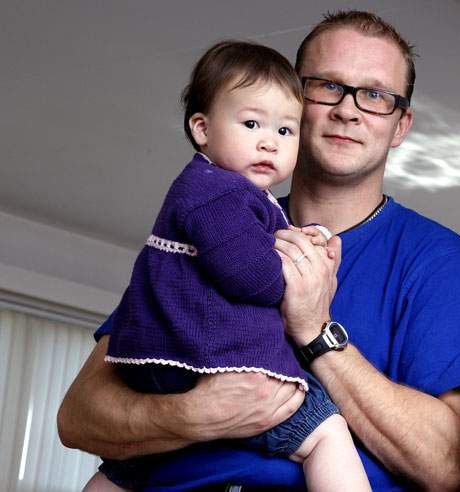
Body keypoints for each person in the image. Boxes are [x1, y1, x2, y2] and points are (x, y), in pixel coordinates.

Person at [58, 10, 460, 491]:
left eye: (375, 95)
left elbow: (447, 467)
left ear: (401, 124)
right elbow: (77, 415)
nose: (348, 110)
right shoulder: (216, 219)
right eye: (326, 85)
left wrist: (315, 332)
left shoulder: (435, 258)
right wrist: (193, 414)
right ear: (292, 99)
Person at [84, 40, 369, 492]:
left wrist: (303, 245)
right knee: (326, 432)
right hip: (208, 361)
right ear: (201, 128)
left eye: (285, 131)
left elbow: (243, 249)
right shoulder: (221, 192)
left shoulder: (223, 192)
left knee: (136, 459)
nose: (267, 142)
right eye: (252, 123)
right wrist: (303, 279)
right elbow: (250, 275)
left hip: (165, 362)